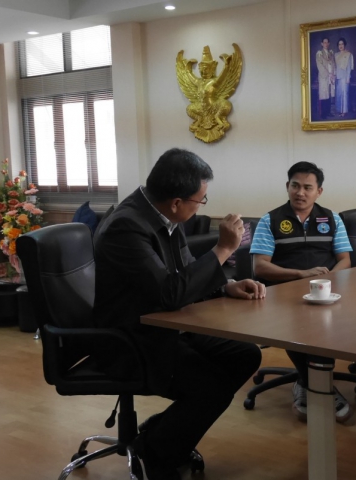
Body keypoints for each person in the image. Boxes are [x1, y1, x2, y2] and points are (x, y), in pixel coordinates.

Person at [93, 148, 265, 480]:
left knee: (245, 355)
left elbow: (185, 270)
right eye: (200, 200)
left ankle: (162, 434)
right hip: (132, 340)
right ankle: (155, 454)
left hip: (167, 328)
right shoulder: (125, 227)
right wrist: (224, 248)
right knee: (212, 388)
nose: (202, 205)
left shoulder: (163, 215)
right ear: (176, 202)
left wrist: (226, 286)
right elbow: (169, 293)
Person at [249, 161, 354, 422]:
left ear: (319, 191)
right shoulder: (270, 220)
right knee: (300, 325)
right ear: (287, 186)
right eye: (295, 186)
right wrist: (300, 275)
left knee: (327, 326)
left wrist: (327, 280)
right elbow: (260, 266)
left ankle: (309, 383)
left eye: (308, 187)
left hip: (326, 293)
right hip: (284, 297)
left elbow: (345, 260)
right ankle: (320, 388)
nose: (300, 192)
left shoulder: (332, 219)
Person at [316, 37, 336, 120]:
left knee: (329, 94)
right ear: (322, 43)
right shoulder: (319, 54)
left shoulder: (331, 53)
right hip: (324, 77)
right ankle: (323, 114)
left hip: (330, 77)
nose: (326, 44)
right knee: (324, 95)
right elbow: (320, 66)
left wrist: (333, 74)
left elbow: (333, 64)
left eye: (327, 42)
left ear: (329, 43)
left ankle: (328, 112)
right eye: (324, 42)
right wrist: (328, 74)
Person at [334, 37, 354, 118]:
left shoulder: (348, 54)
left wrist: (348, 77)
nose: (341, 46)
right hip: (338, 77)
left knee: (344, 94)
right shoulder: (336, 55)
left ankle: (344, 111)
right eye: (339, 44)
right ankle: (339, 110)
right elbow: (335, 67)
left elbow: (349, 67)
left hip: (345, 77)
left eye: (342, 44)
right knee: (339, 94)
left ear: (344, 45)